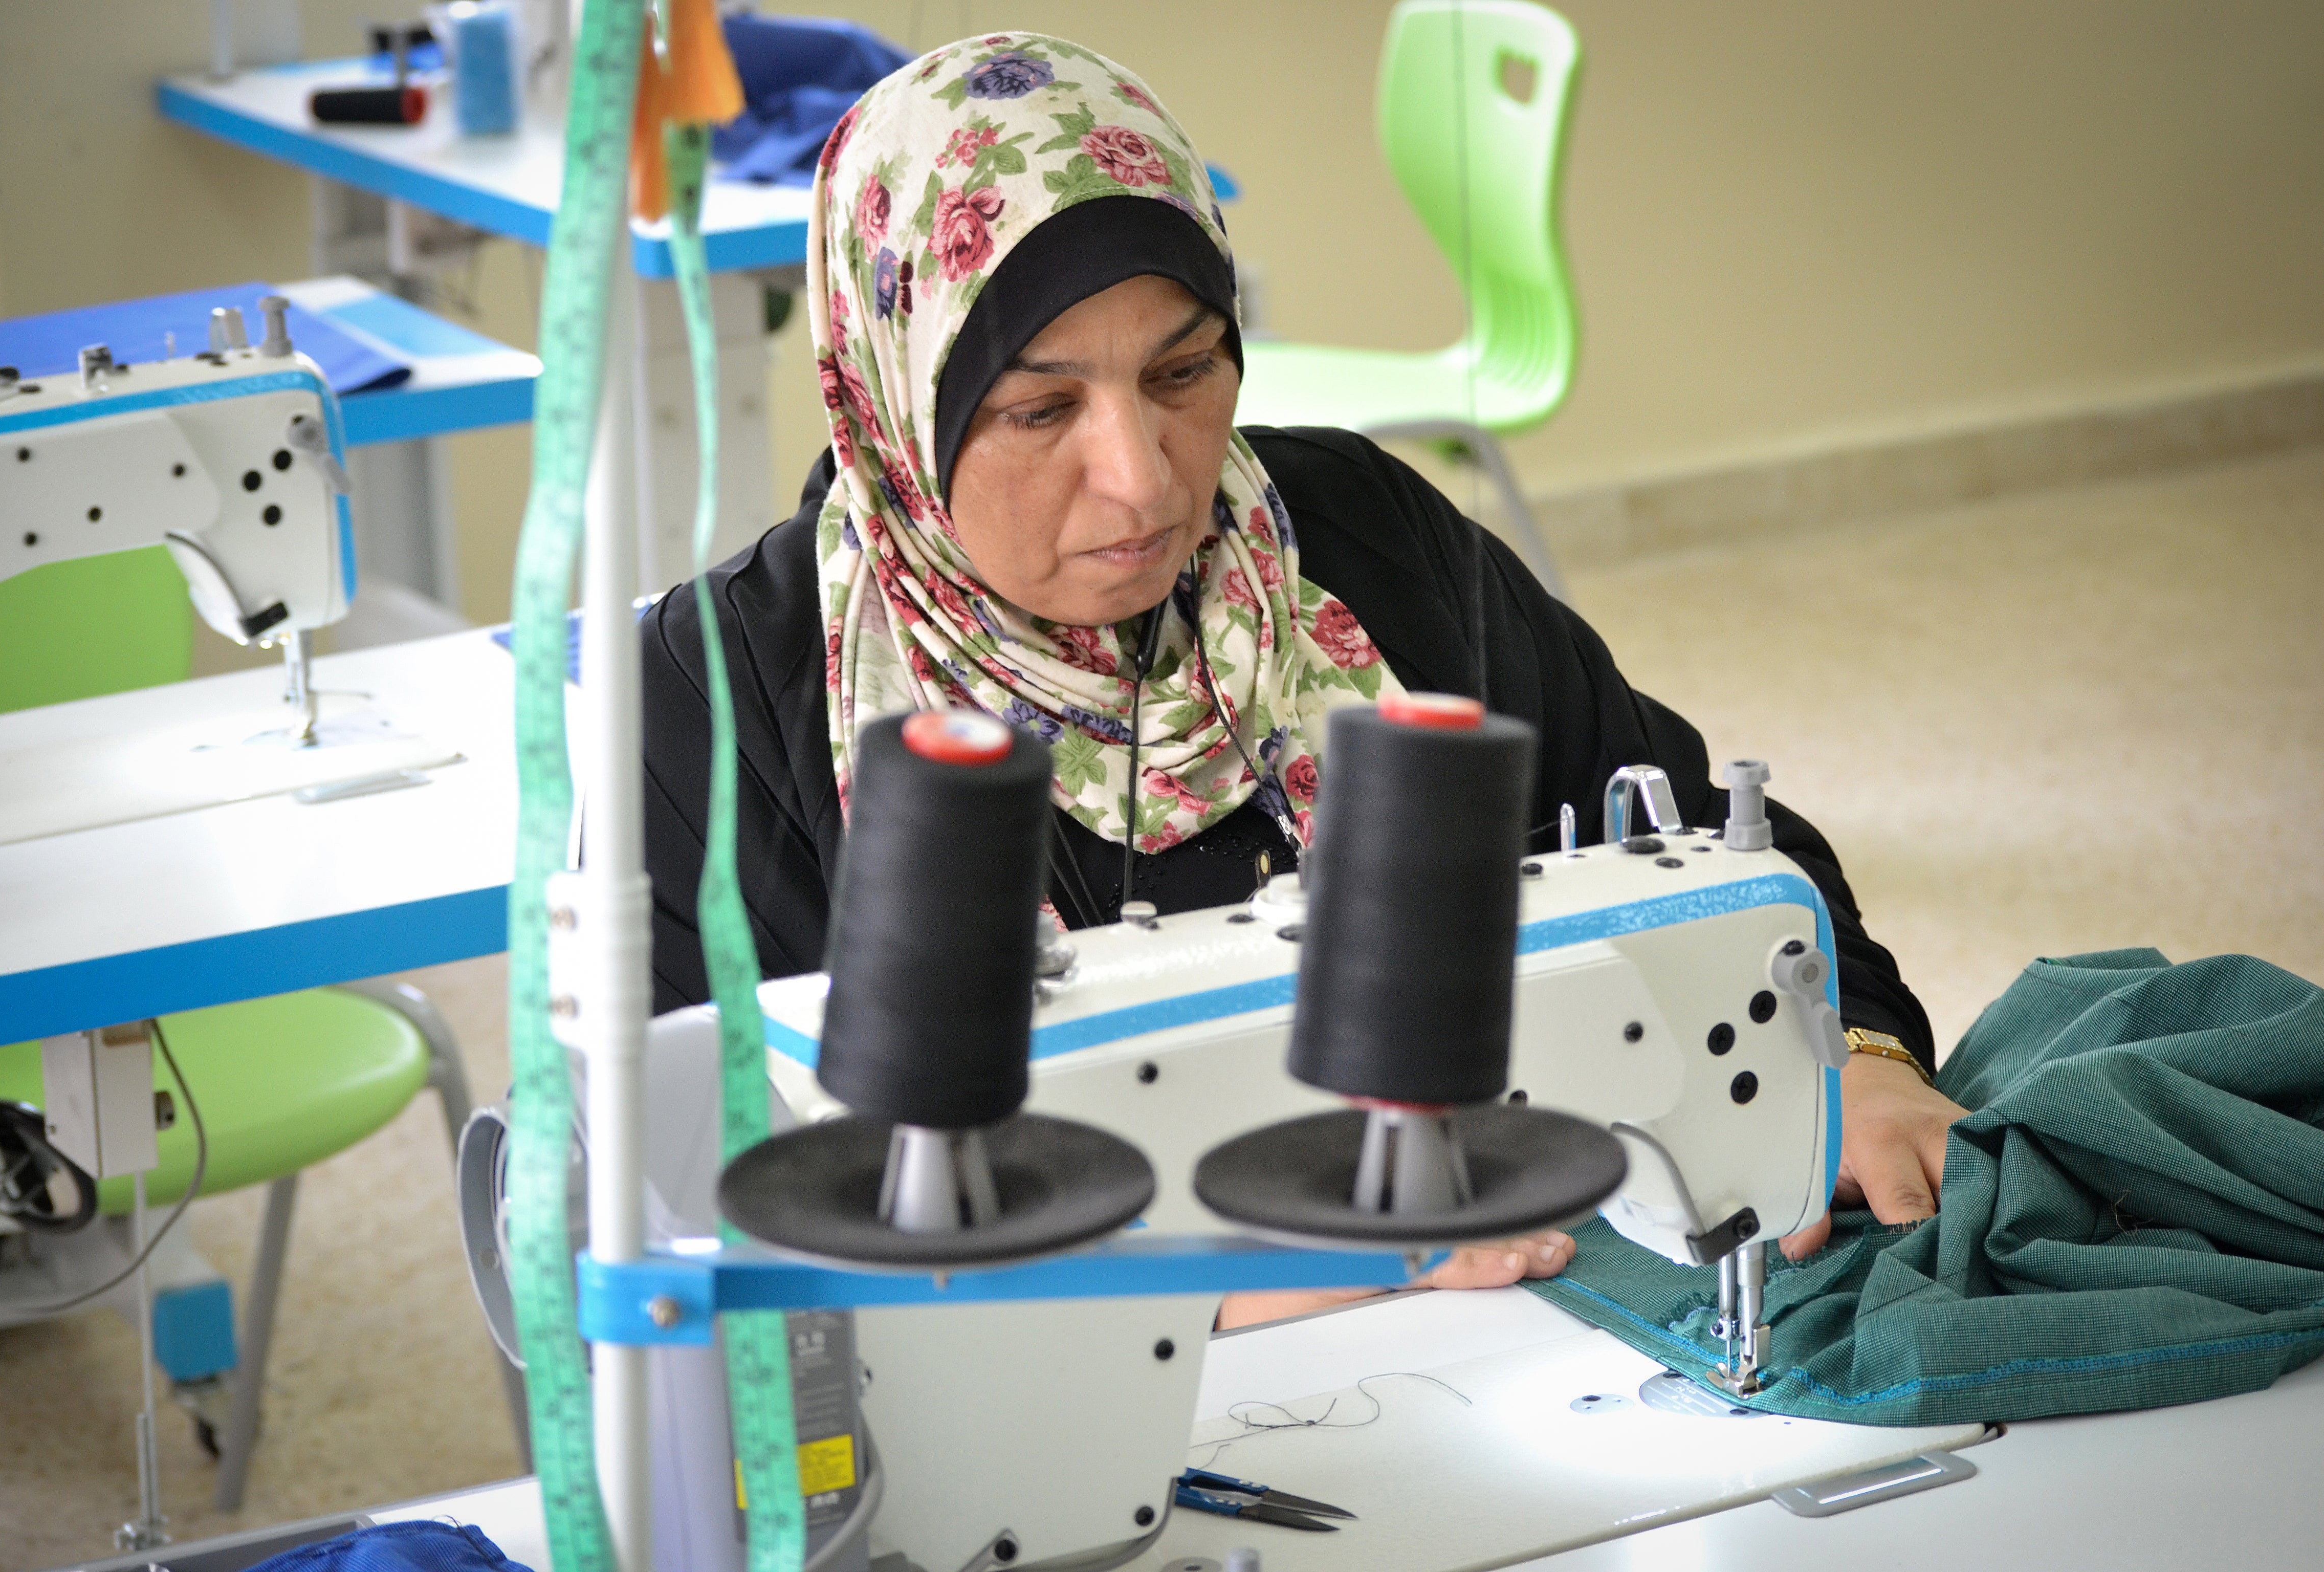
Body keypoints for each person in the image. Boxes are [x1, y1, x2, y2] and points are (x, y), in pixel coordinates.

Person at [639, 36, 1969, 1322]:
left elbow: (1704, 848)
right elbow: (690, 1221)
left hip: (1492, 1318)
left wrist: (1847, 1053)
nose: (1148, 478)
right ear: (891, 391)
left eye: (1185, 371)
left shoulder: (1364, 544)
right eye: (1041, 410)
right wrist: (1230, 1281)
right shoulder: (722, 698)